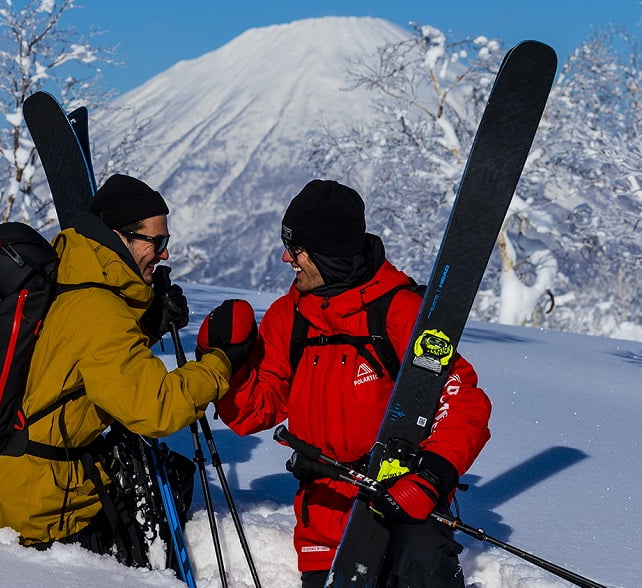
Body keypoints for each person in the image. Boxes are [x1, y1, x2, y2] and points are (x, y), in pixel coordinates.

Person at [201, 179, 493, 587]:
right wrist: (225, 365)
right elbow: (255, 409)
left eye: (297, 248)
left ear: (329, 252)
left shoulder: (400, 311)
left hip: (404, 505)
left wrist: (431, 476)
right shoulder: (290, 317)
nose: (287, 258)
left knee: (424, 570)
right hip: (325, 519)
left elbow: (461, 398)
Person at [0, 174, 255, 565]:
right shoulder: (99, 309)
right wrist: (222, 361)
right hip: (44, 508)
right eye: (158, 242)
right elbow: (156, 409)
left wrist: (150, 318)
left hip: (7, 480)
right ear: (121, 238)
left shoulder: (67, 273)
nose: (165, 254)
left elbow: (86, 357)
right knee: (169, 480)